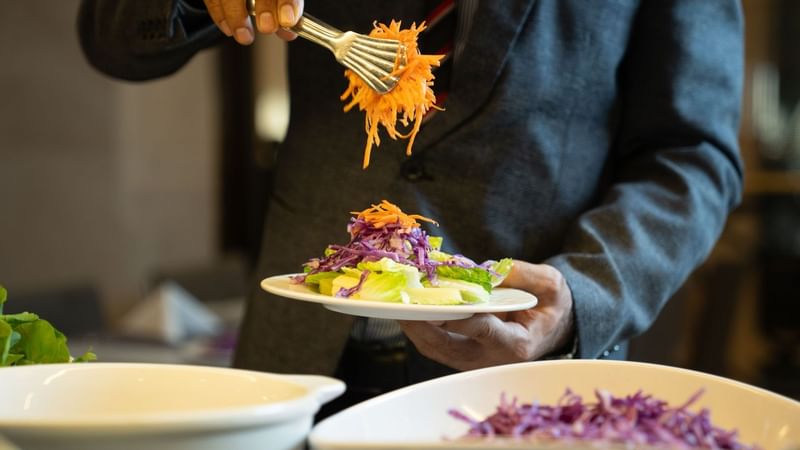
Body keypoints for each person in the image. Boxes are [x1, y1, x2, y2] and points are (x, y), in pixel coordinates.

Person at [78, 0, 744, 415]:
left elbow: (691, 155)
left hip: (518, 372)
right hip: (296, 356)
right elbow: (108, 34)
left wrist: (583, 293)